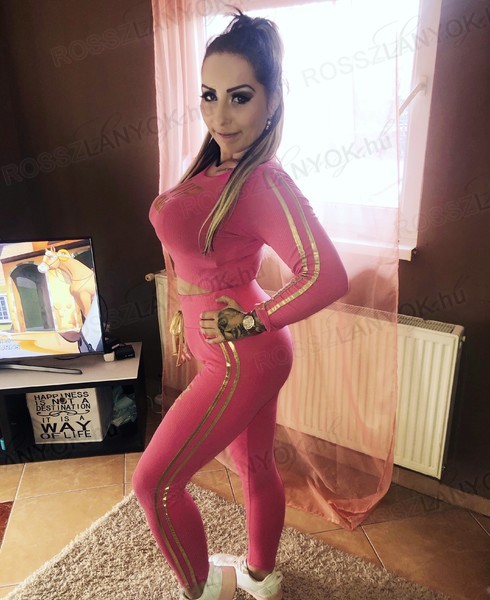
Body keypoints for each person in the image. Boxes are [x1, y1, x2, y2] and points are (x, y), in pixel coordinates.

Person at [133, 10, 348, 600]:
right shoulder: (215, 164)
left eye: (240, 97)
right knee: (255, 466)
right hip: (229, 344)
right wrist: (179, 310)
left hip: (241, 354)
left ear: (273, 101)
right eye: (209, 95)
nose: (220, 116)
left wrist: (251, 319)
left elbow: (327, 276)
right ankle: (261, 576)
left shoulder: (262, 182)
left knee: (154, 483)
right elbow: (192, 254)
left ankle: (205, 591)